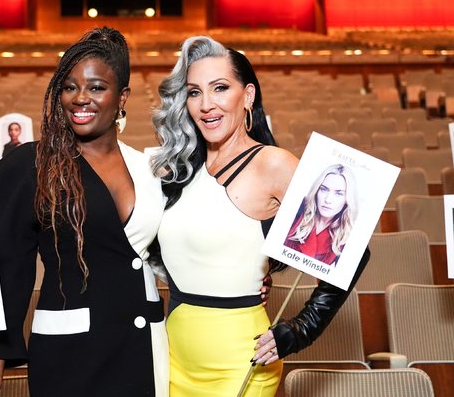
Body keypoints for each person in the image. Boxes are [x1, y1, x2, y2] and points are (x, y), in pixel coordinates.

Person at [150, 36, 369, 396]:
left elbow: (351, 251)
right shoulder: (179, 169)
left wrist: (301, 330)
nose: (206, 104)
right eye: (194, 92)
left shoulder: (273, 163)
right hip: (172, 354)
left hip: (242, 360)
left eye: (220, 88)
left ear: (248, 96)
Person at [0, 27, 169, 397]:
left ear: (122, 96)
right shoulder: (33, 165)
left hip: (142, 344)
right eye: (69, 87)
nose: (81, 98)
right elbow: (6, 262)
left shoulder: (148, 168)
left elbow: (172, 251)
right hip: (69, 354)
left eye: (96, 87)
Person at [285, 163, 358, 266]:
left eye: (339, 193)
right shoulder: (297, 209)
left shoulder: (348, 235)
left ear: (347, 199)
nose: (328, 200)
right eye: (324, 189)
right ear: (316, 190)